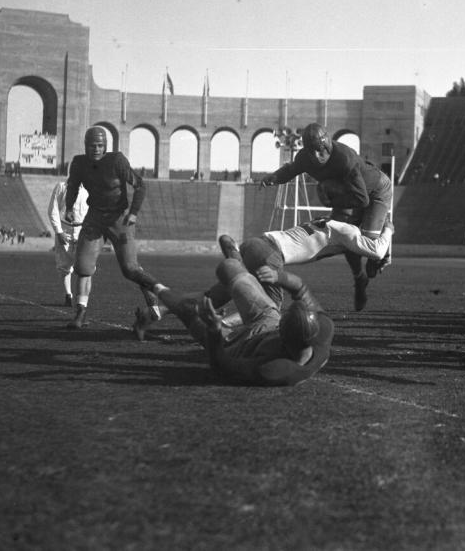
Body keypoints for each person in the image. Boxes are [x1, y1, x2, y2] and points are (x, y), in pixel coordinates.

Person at [132, 217, 394, 341]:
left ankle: (158, 310)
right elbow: (377, 249)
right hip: (271, 254)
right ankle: (224, 325)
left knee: (213, 297)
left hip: (256, 244)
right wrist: (389, 229)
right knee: (271, 312)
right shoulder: (348, 230)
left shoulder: (334, 225)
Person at [145, 249, 334, 386]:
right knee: (229, 267)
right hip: (268, 323)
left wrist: (214, 333)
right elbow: (301, 288)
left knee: (188, 313)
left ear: (284, 337)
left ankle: (151, 284)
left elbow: (221, 367)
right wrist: (279, 277)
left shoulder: (275, 369)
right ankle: (237, 262)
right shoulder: (323, 328)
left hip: (237, 347)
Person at [261, 123, 393, 310]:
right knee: (345, 239)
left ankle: (384, 241)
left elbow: (362, 200)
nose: (316, 156)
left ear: (328, 144)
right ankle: (359, 278)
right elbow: (291, 169)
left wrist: (332, 199)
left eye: (320, 150)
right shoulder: (305, 158)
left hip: (375, 191)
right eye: (311, 151)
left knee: (368, 248)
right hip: (351, 193)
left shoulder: (345, 159)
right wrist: (274, 178)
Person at [64, 126, 161, 329]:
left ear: (105, 146)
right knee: (83, 267)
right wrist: (69, 207)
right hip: (95, 217)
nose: (96, 149)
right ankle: (80, 313)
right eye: (92, 145)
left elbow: (140, 185)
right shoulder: (79, 163)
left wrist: (133, 213)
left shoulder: (116, 160)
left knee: (130, 269)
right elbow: (72, 185)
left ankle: (152, 292)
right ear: (86, 146)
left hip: (119, 217)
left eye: (100, 145)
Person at [47, 177, 88, 306]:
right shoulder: (62, 187)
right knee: (64, 266)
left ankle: (82, 301)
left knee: (85, 266)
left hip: (83, 230)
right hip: (65, 229)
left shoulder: (89, 189)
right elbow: (52, 210)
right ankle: (68, 295)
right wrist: (58, 231)